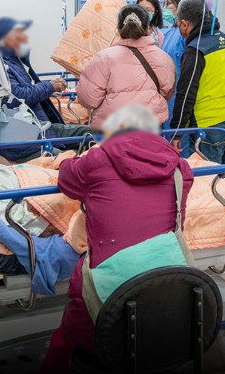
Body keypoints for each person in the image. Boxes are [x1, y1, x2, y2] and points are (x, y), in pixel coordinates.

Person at [42, 105, 195, 373]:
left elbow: (66, 178)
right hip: (167, 287)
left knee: (66, 342)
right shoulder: (180, 170)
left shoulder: (97, 161)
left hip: (105, 294)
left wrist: (80, 157)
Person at [0, 17, 90, 161]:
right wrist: (50, 86)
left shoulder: (17, 63)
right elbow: (18, 96)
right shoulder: (0, 67)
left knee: (95, 132)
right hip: (25, 141)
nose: (25, 43)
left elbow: (27, 90)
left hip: (41, 129)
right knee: (68, 161)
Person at [76, 5, 176, 130]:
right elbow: (167, 92)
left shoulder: (103, 58)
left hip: (112, 128)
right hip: (150, 126)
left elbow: (88, 99)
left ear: (118, 28)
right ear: (147, 28)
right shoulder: (163, 57)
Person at [170, 0, 225, 163]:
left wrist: (176, 132)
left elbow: (186, 94)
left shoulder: (195, 50)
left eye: (178, 23)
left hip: (207, 127)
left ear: (185, 24)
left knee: (206, 177)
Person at [161, 0, 192, 121]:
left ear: (180, 6)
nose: (164, 7)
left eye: (168, 3)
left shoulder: (185, 35)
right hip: (167, 97)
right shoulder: (170, 33)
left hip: (179, 97)